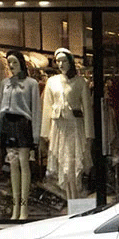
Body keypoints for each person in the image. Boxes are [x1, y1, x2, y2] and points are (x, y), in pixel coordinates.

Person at [41, 48, 94, 200]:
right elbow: (47, 108)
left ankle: (75, 199)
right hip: (58, 128)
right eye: (58, 61)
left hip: (74, 127)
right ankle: (69, 199)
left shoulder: (80, 82)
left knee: (72, 164)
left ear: (70, 62)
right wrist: (44, 134)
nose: (61, 64)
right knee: (63, 165)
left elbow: (87, 111)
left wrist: (89, 135)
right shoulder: (51, 82)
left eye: (64, 61)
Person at [0, 51, 39, 220]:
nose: (11, 66)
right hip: (7, 124)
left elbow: (36, 110)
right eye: (9, 63)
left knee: (23, 164)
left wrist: (36, 135)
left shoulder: (31, 84)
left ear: (21, 63)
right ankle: (15, 207)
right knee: (13, 164)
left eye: (14, 62)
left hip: (23, 124)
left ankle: (24, 208)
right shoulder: (5, 83)